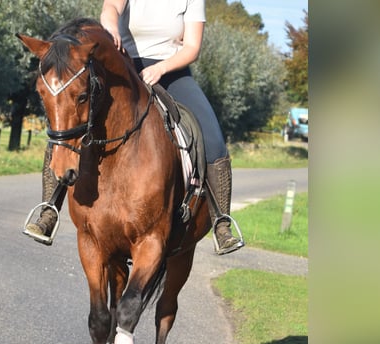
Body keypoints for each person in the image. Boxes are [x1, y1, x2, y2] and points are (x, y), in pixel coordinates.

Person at [26, 0, 243, 255]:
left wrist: (161, 68)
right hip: (123, 65)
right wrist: (111, 28)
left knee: (212, 136)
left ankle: (221, 221)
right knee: (70, 120)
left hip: (172, 72)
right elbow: (110, 9)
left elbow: (192, 48)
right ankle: (49, 208)